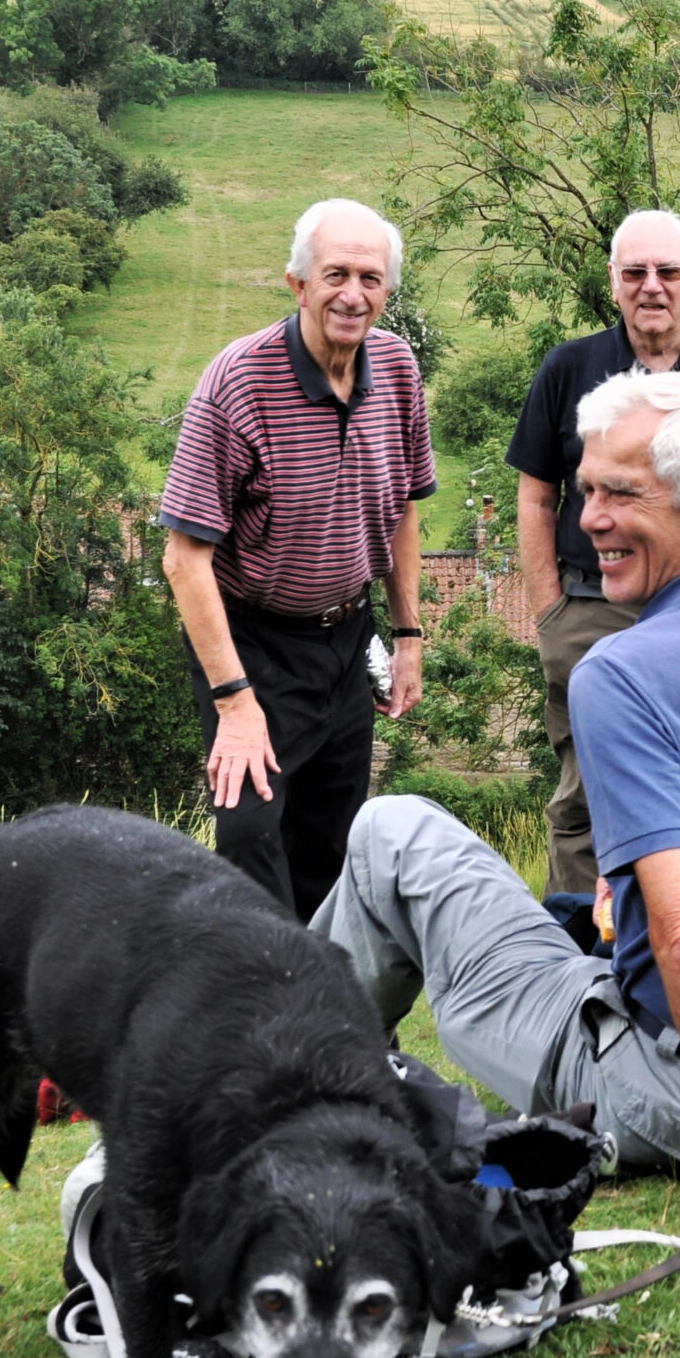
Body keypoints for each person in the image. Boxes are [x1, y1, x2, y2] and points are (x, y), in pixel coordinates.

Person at [314, 371, 680, 1222]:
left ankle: (299, 1082)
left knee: (388, 829)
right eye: (585, 491)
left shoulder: (618, 675)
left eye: (620, 494)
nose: (587, 522)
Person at [507, 208, 680, 896]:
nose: (652, 287)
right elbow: (536, 497)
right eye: (635, 272)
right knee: (585, 794)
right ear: (614, 282)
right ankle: (579, 960)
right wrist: (549, 613)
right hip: (589, 608)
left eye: (668, 271)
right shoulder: (568, 367)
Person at [160, 200, 434, 920]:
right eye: (335, 274)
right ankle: (257, 1020)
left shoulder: (399, 370)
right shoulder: (239, 383)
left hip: (348, 638)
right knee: (251, 844)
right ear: (298, 284)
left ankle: (332, 1025)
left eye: (370, 278)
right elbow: (185, 559)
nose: (353, 293)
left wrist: (406, 638)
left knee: (332, 848)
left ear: (388, 290)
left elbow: (405, 506)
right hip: (251, 644)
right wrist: (236, 702)